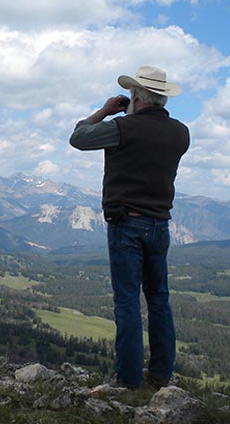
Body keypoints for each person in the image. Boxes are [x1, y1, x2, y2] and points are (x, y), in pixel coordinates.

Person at [69, 66, 190, 389]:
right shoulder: (181, 132)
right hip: (160, 225)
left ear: (136, 96)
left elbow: (78, 138)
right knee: (159, 299)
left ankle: (128, 380)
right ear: (163, 98)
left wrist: (106, 112)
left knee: (127, 301)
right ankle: (162, 374)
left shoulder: (123, 127)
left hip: (127, 223)